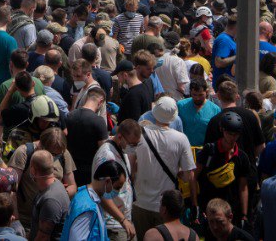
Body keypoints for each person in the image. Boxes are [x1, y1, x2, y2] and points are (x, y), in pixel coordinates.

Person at [133, 97, 195, 238]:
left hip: (140, 201)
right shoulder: (181, 139)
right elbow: (187, 176)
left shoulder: (140, 134)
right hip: (165, 206)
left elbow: (131, 165)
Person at [63, 160, 128, 241]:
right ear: (108, 181)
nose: (117, 192)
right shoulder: (87, 207)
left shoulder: (89, 198)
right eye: (117, 187)